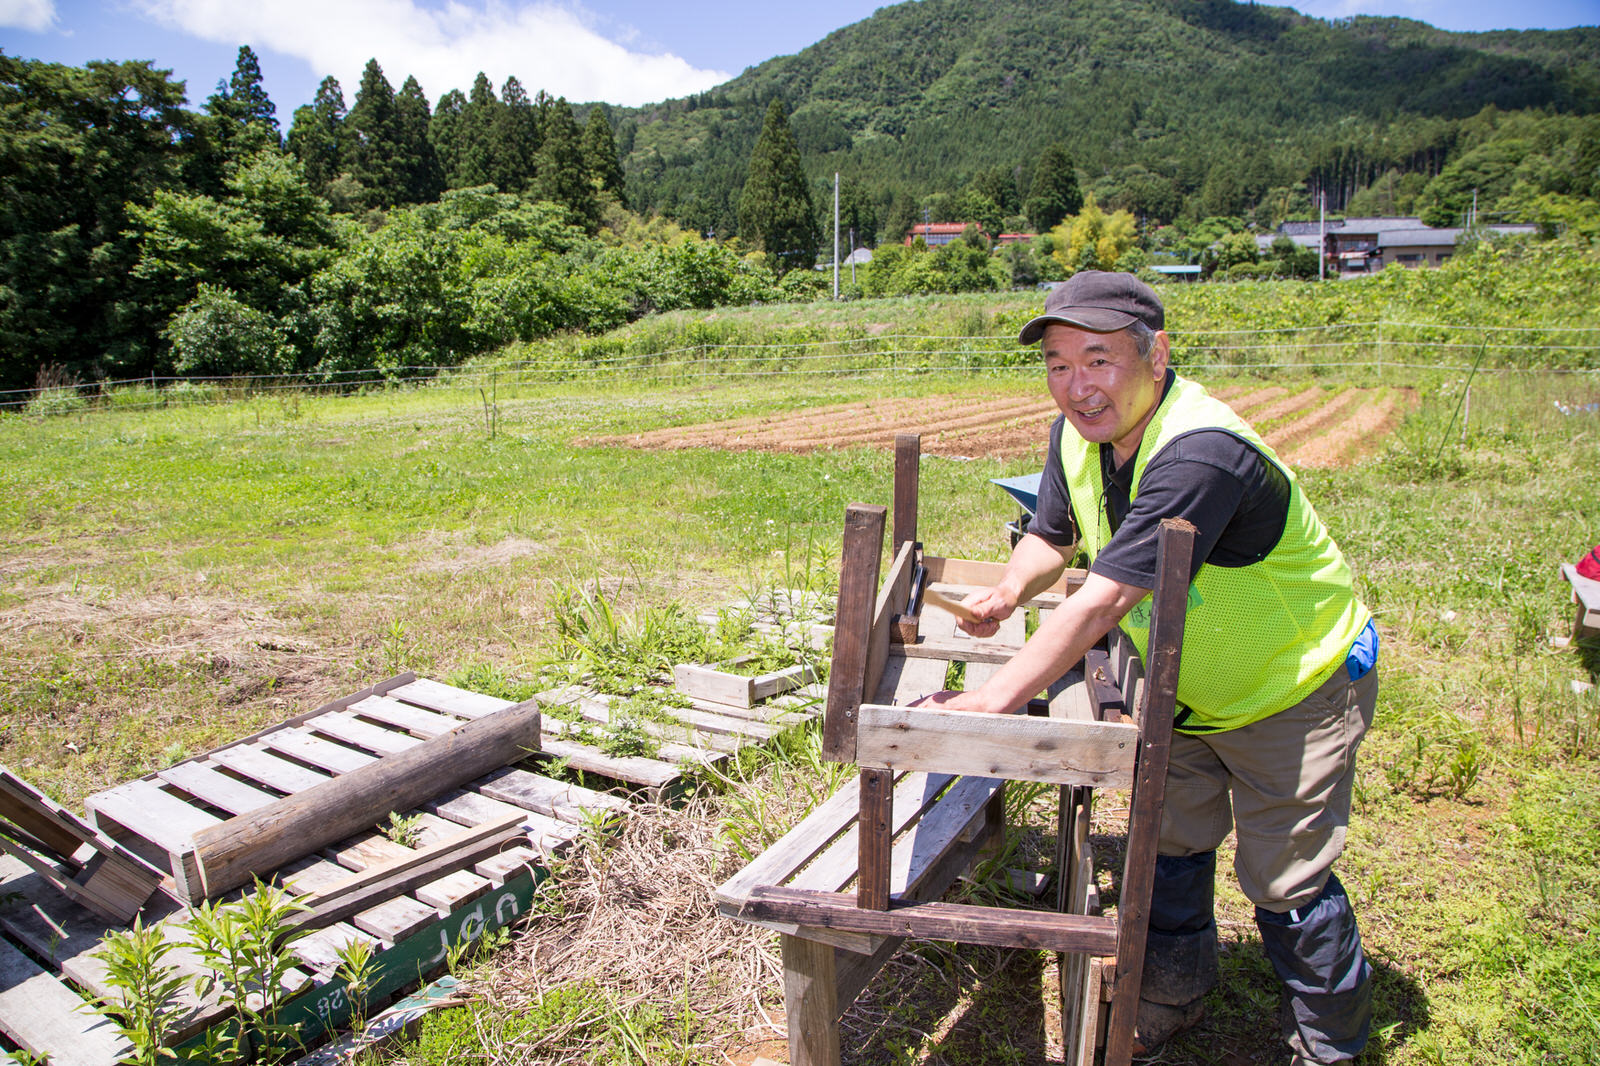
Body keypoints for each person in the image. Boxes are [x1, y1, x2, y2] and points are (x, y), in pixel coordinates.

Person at [918, 271, 1379, 1065]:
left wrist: (985, 704)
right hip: (1188, 693)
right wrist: (1007, 588)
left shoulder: (1203, 453)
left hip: (1291, 688)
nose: (1076, 385)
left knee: (1286, 880)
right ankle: (1171, 996)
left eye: (1098, 359)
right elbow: (1054, 533)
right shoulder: (1078, 437)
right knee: (1167, 845)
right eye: (1058, 363)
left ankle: (1328, 1047)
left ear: (1156, 355)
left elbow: (1099, 604)